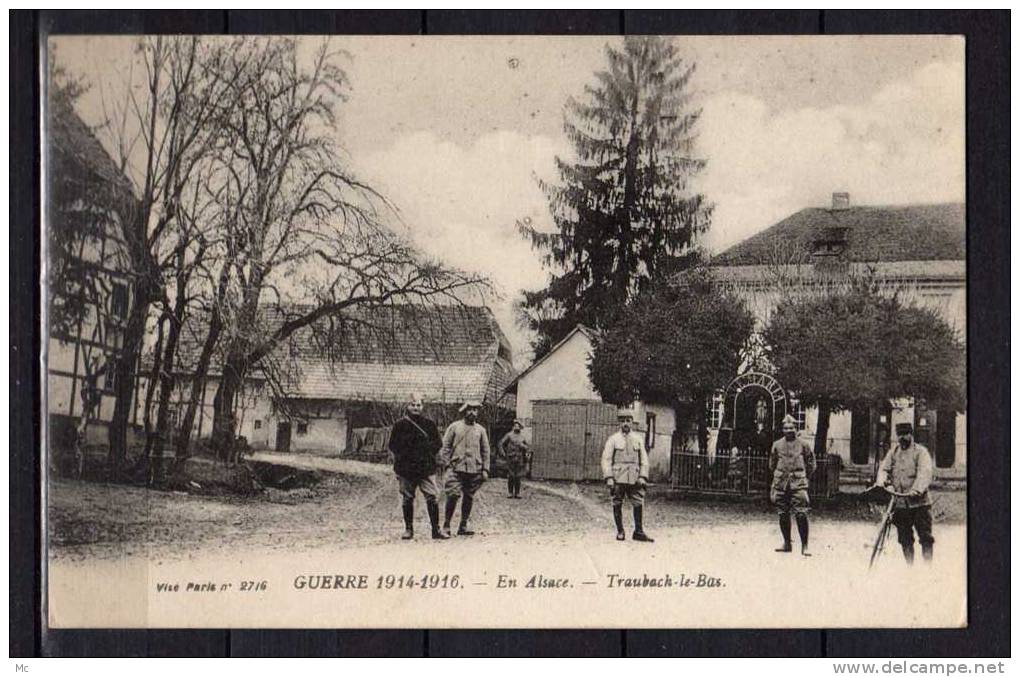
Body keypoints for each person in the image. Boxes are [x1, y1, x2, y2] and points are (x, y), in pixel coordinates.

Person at [387, 393, 448, 540]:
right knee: (407, 498)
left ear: (423, 406)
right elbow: (393, 445)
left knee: (432, 497)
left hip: (425, 468)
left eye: (419, 405)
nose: (416, 408)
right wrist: (404, 456)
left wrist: (426, 453)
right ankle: (408, 529)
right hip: (406, 469)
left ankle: (436, 530)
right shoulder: (400, 425)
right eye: (413, 405)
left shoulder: (429, 425)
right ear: (408, 406)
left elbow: (438, 443)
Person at [876, 422, 935, 564]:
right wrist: (884, 483)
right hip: (900, 504)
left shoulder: (920, 452)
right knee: (904, 538)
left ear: (911, 434)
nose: (902, 437)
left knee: (925, 537)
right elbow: (884, 469)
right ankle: (910, 567)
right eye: (900, 434)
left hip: (919, 504)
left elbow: (925, 472)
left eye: (906, 434)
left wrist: (917, 489)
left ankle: (928, 567)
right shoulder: (894, 452)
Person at [601, 408, 653, 542]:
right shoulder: (613, 439)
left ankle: (638, 531)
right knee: (617, 502)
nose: (625, 423)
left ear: (632, 422)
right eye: (623, 421)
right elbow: (606, 459)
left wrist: (642, 476)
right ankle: (620, 531)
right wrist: (609, 477)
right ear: (619, 423)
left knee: (638, 502)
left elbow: (644, 460)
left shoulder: (638, 439)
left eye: (628, 421)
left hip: (635, 478)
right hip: (618, 478)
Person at [439, 400, 491, 537]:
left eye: (475, 410)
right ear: (464, 411)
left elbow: (486, 451)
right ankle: (446, 525)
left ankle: (463, 525)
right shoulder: (455, 427)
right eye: (470, 409)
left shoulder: (481, 430)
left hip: (474, 470)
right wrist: (447, 464)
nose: (473, 412)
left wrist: (485, 469)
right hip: (456, 468)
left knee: (469, 497)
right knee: (453, 495)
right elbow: (445, 447)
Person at [770, 414, 816, 556]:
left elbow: (811, 464)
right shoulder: (777, 445)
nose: (789, 430)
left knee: (801, 514)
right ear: (782, 429)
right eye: (786, 428)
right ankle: (787, 543)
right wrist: (780, 476)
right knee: (783, 514)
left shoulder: (804, 445)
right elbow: (772, 464)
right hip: (781, 484)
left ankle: (805, 545)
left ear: (796, 428)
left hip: (798, 484)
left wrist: (803, 477)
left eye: (791, 427)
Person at [498, 419, 530, 498]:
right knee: (511, 475)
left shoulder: (522, 437)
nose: (517, 427)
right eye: (515, 425)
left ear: (520, 427)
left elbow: (528, 448)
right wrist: (503, 453)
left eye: (518, 426)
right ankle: (510, 492)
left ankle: (517, 493)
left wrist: (523, 447)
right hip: (510, 458)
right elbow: (501, 443)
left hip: (519, 458)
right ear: (513, 427)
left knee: (518, 476)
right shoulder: (509, 435)